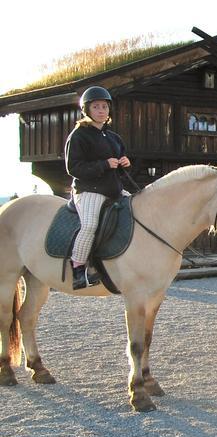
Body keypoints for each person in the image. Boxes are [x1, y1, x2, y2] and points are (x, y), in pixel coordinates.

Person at [63, 86, 130, 290]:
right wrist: (103, 164)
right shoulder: (79, 135)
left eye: (104, 106)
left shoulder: (114, 138)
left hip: (114, 190)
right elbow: (73, 168)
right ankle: (78, 268)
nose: (101, 110)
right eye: (96, 107)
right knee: (90, 225)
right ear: (87, 110)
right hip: (88, 190)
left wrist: (125, 162)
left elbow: (117, 168)